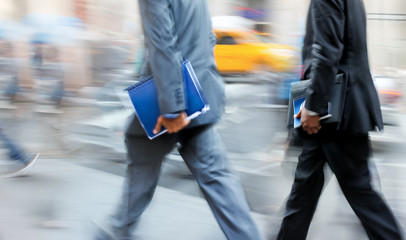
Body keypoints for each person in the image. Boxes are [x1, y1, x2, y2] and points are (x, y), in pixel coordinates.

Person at [94, 1, 263, 240]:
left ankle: (116, 232)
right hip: (199, 92)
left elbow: (162, 43)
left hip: (171, 101)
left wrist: (173, 108)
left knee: (142, 160)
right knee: (216, 176)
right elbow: (208, 38)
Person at [276, 0, 404, 239]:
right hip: (341, 105)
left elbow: (326, 52)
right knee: (303, 194)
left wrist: (313, 109)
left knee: (359, 192)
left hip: (334, 111)